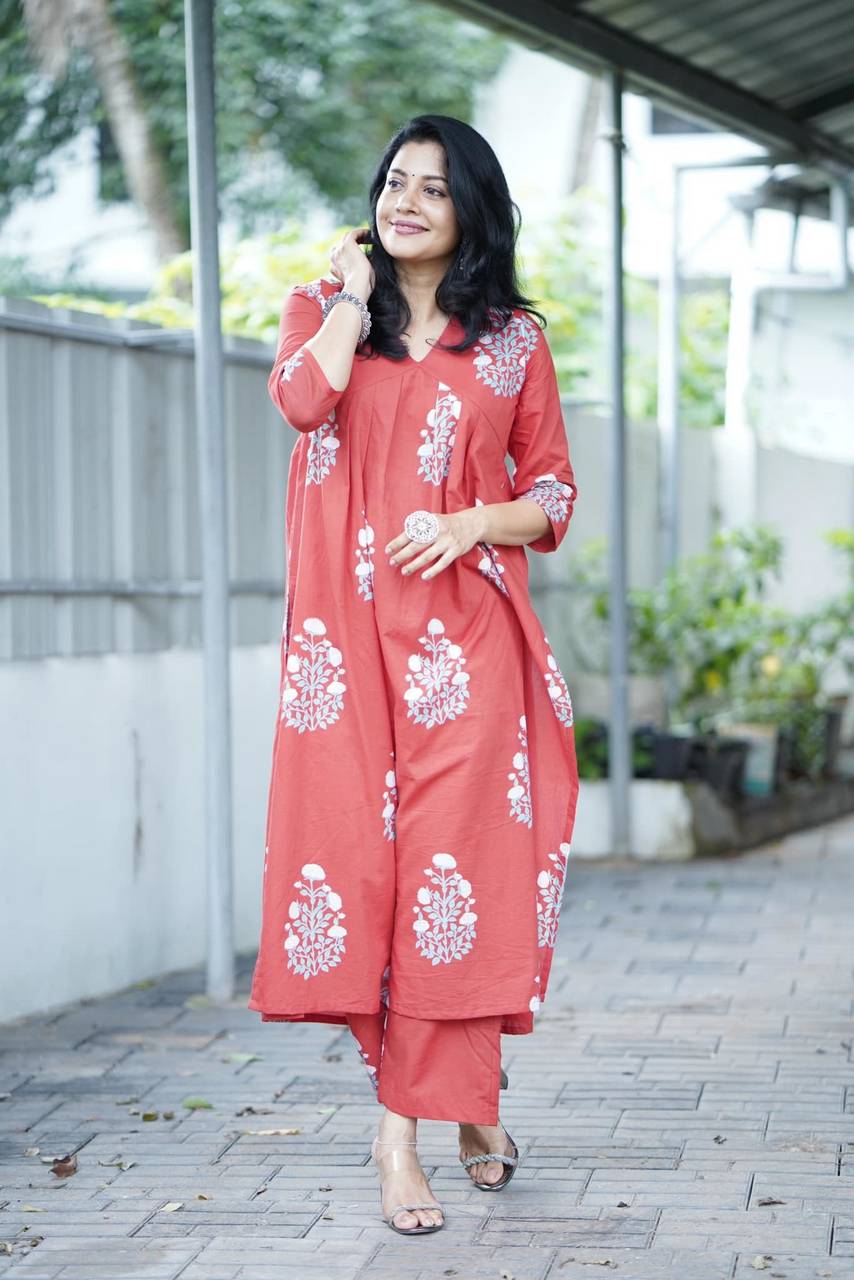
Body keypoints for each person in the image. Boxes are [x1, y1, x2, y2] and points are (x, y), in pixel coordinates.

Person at [248, 113, 579, 1236]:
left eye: (434, 190)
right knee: (364, 875)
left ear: (470, 212)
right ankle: (469, 1105)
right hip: (341, 659)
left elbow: (554, 497)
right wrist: (347, 295)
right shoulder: (321, 310)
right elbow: (301, 402)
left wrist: (469, 519)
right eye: (395, 182)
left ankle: (400, 1138)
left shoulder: (512, 344)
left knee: (454, 874)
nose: (407, 202)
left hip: (462, 650)